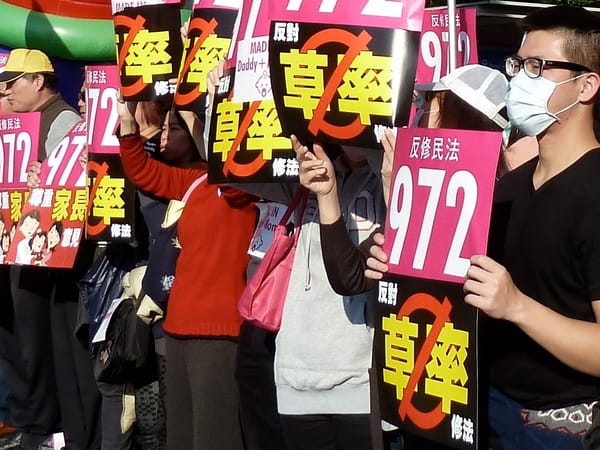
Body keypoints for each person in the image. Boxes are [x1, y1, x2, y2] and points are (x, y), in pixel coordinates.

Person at [117, 96, 256, 450]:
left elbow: (231, 168)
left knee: (215, 436)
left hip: (220, 333)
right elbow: (145, 172)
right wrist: (128, 130)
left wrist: (212, 107)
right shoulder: (196, 181)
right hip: (178, 327)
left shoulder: (248, 185)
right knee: (182, 436)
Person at [0, 48, 101, 450]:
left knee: (36, 341)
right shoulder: (18, 122)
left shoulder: (61, 120)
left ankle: (43, 424)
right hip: (17, 246)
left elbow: (74, 185)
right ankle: (30, 419)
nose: (5, 93)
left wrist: (42, 179)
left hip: (46, 253)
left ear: (38, 81)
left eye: (11, 84)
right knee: (15, 337)